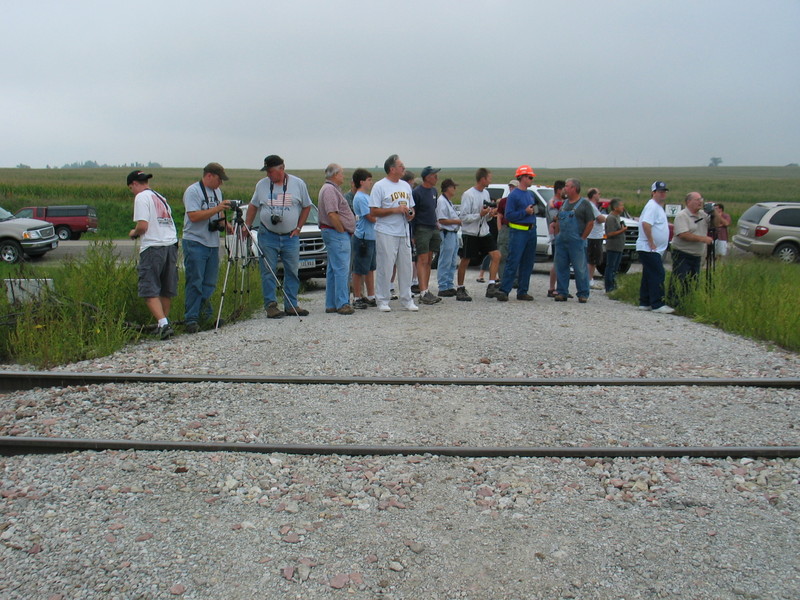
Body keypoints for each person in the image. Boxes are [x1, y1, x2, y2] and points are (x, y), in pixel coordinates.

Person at [245, 155, 311, 319]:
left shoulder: (298, 184)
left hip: (290, 236)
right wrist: (247, 224)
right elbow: (253, 206)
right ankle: (271, 305)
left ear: (281, 169)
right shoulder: (262, 185)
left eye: (270, 171)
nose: (268, 175)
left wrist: (298, 227)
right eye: (266, 171)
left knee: (292, 270)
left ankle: (291, 304)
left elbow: (306, 206)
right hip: (268, 235)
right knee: (268, 270)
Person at [127, 170, 178, 340]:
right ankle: (162, 322)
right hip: (170, 245)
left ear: (133, 184)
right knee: (166, 288)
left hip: (153, 246)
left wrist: (134, 233)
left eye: (131, 188)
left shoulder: (141, 197)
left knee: (149, 289)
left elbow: (143, 225)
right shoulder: (160, 197)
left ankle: (163, 324)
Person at [181, 162, 232, 333]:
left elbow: (220, 212)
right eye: (219, 179)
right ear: (209, 176)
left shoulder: (217, 191)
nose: (220, 183)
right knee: (195, 280)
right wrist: (217, 208)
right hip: (196, 241)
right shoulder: (193, 191)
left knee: (209, 282)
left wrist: (226, 223)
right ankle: (191, 318)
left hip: (212, 242)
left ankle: (206, 315)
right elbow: (194, 216)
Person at [369, 154, 417, 312]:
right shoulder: (380, 186)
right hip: (386, 231)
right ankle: (382, 299)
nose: (404, 168)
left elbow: (412, 208)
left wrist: (410, 213)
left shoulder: (405, 186)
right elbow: (374, 211)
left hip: (403, 231)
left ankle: (407, 298)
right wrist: (395, 210)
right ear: (392, 169)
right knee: (386, 266)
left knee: (406, 266)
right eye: (401, 165)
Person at [495, 165, 538, 302]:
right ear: (522, 178)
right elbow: (509, 215)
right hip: (518, 231)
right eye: (530, 177)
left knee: (528, 263)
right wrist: (525, 212)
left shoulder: (530, 195)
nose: (531, 179)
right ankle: (504, 290)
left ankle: (522, 291)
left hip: (531, 231)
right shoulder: (513, 195)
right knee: (513, 261)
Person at [456, 168, 499, 301]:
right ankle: (460, 288)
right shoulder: (468, 195)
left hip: (484, 231)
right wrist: (479, 215)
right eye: (489, 178)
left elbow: (485, 217)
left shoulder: (486, 193)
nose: (490, 180)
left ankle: (491, 285)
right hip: (470, 233)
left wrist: (489, 215)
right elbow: (463, 217)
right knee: (465, 260)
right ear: (482, 179)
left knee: (496, 255)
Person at [318, 163, 356, 315]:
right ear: (334, 174)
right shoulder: (329, 190)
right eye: (341, 173)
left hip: (334, 233)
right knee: (341, 268)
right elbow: (332, 213)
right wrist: (341, 229)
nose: (343, 176)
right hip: (336, 233)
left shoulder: (331, 189)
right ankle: (342, 303)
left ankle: (332, 303)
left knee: (334, 269)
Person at [667, 191, 712, 307]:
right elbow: (683, 234)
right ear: (688, 202)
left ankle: (687, 302)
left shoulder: (703, 215)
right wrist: (703, 239)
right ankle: (674, 302)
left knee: (693, 281)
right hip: (682, 253)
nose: (700, 202)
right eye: (697, 200)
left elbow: (720, 224)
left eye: (701, 199)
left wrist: (714, 212)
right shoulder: (682, 216)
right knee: (679, 278)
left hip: (696, 254)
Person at [553, 178, 594, 303]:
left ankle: (583, 293)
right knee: (561, 267)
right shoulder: (564, 204)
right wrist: (557, 234)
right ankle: (562, 292)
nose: (565, 188)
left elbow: (590, 222)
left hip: (576, 241)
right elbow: (559, 219)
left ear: (574, 189)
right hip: (562, 240)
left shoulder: (584, 204)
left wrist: (582, 238)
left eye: (567, 186)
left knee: (579, 268)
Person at [636, 181, 674, 314]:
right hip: (649, 247)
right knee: (658, 273)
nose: (662, 193)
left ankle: (645, 301)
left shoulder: (657, 207)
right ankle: (657, 303)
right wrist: (651, 241)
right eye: (660, 191)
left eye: (664, 191)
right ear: (653, 192)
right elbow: (646, 224)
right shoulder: (652, 206)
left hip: (652, 248)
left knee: (649, 273)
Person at [412, 166, 443, 305]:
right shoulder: (417, 192)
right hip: (422, 228)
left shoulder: (434, 191)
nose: (436, 177)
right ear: (427, 177)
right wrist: (413, 233)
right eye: (434, 175)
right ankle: (422, 291)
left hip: (432, 227)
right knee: (422, 259)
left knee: (429, 260)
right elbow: (413, 213)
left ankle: (426, 289)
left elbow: (433, 208)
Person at [350, 168, 377, 310]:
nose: (371, 182)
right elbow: (370, 217)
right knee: (359, 268)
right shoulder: (360, 197)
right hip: (363, 237)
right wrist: (382, 216)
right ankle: (357, 297)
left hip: (371, 236)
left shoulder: (367, 196)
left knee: (370, 268)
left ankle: (371, 295)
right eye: (368, 180)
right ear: (361, 182)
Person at [435, 178, 461, 297]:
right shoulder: (442, 201)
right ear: (448, 188)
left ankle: (449, 284)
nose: (455, 189)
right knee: (445, 259)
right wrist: (457, 221)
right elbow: (442, 220)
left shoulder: (448, 201)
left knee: (452, 261)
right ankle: (443, 286)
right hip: (446, 232)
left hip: (453, 233)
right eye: (453, 187)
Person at [494, 179, 517, 279]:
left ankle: (515, 279)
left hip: (517, 229)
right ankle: (503, 278)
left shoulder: (520, 201)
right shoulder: (504, 201)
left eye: (514, 187)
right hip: (506, 228)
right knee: (503, 255)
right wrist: (500, 230)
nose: (511, 188)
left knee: (516, 255)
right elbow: (499, 216)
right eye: (510, 187)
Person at [546, 180, 566, 297]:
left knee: (562, 262)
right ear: (559, 190)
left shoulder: (563, 202)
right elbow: (554, 217)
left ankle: (561, 287)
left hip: (564, 234)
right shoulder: (552, 203)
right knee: (557, 262)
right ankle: (551, 287)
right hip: (556, 235)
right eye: (564, 189)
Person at [603, 198, 628, 292]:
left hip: (619, 246)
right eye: (621, 205)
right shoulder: (611, 218)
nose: (623, 207)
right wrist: (622, 230)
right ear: (615, 207)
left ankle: (614, 284)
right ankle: (609, 287)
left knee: (616, 267)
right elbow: (609, 233)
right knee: (611, 266)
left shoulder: (618, 217)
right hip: (613, 246)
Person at [586, 188, 607, 290]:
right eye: (598, 193)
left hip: (594, 236)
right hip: (593, 236)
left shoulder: (593, 206)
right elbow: (600, 218)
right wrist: (605, 218)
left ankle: (589, 279)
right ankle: (589, 280)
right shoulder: (591, 206)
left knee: (593, 260)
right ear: (594, 195)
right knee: (592, 260)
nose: (600, 195)